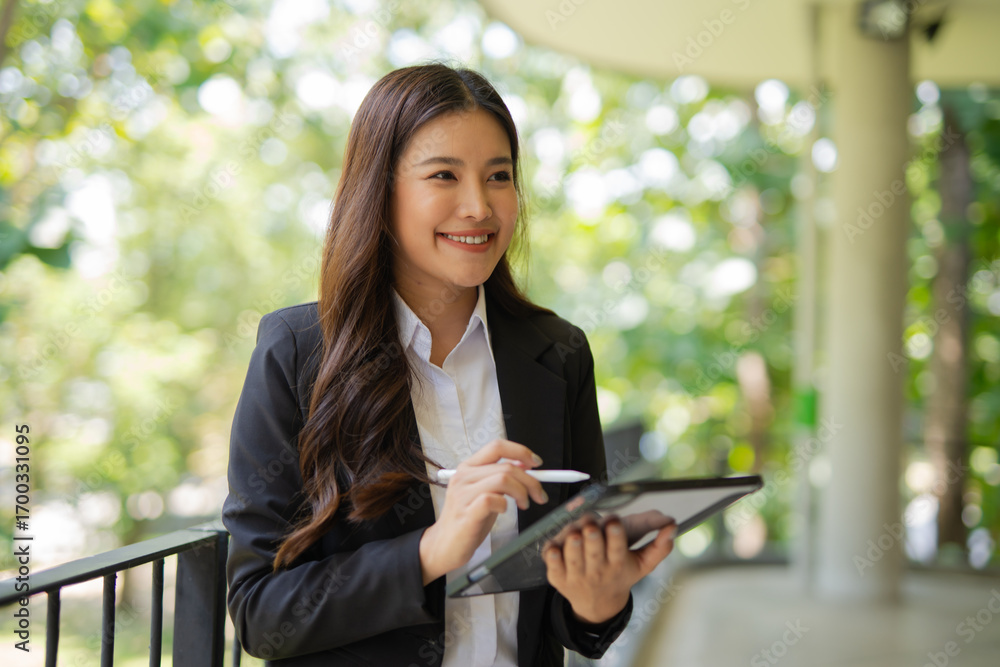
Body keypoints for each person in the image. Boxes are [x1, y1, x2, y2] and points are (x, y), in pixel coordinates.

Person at [222, 61, 677, 667]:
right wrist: (431, 551)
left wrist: (599, 599)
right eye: (444, 174)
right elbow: (261, 613)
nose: (478, 207)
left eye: (499, 177)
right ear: (379, 194)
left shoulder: (558, 352)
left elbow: (571, 618)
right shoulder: (298, 352)